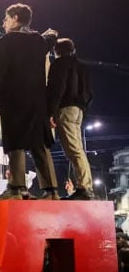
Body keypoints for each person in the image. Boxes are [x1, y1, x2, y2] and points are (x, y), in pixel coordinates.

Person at [0, 3, 59, 200]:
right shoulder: (39, 42)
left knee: (15, 143)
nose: (4, 23)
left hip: (13, 99)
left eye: (6, 19)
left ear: (15, 18)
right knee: (39, 143)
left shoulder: (6, 42)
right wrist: (52, 35)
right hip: (37, 101)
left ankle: (17, 188)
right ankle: (51, 190)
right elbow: (50, 39)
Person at [47, 38, 94, 200]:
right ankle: (85, 186)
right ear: (72, 50)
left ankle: (85, 188)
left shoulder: (59, 65)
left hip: (65, 108)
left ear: (56, 51)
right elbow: (89, 92)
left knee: (73, 149)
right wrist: (83, 108)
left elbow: (57, 89)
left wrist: (51, 113)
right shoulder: (82, 66)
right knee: (77, 147)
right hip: (78, 109)